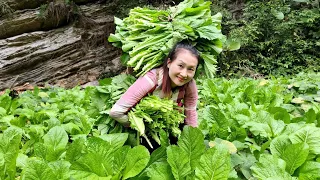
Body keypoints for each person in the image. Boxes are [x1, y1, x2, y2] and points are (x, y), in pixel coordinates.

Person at [109, 41, 200, 130]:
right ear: (169, 63)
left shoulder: (189, 84)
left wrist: (193, 137)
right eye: (180, 65)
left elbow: (190, 113)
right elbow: (116, 112)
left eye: (190, 69)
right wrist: (139, 125)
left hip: (168, 126)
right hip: (143, 130)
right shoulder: (150, 80)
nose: (184, 74)